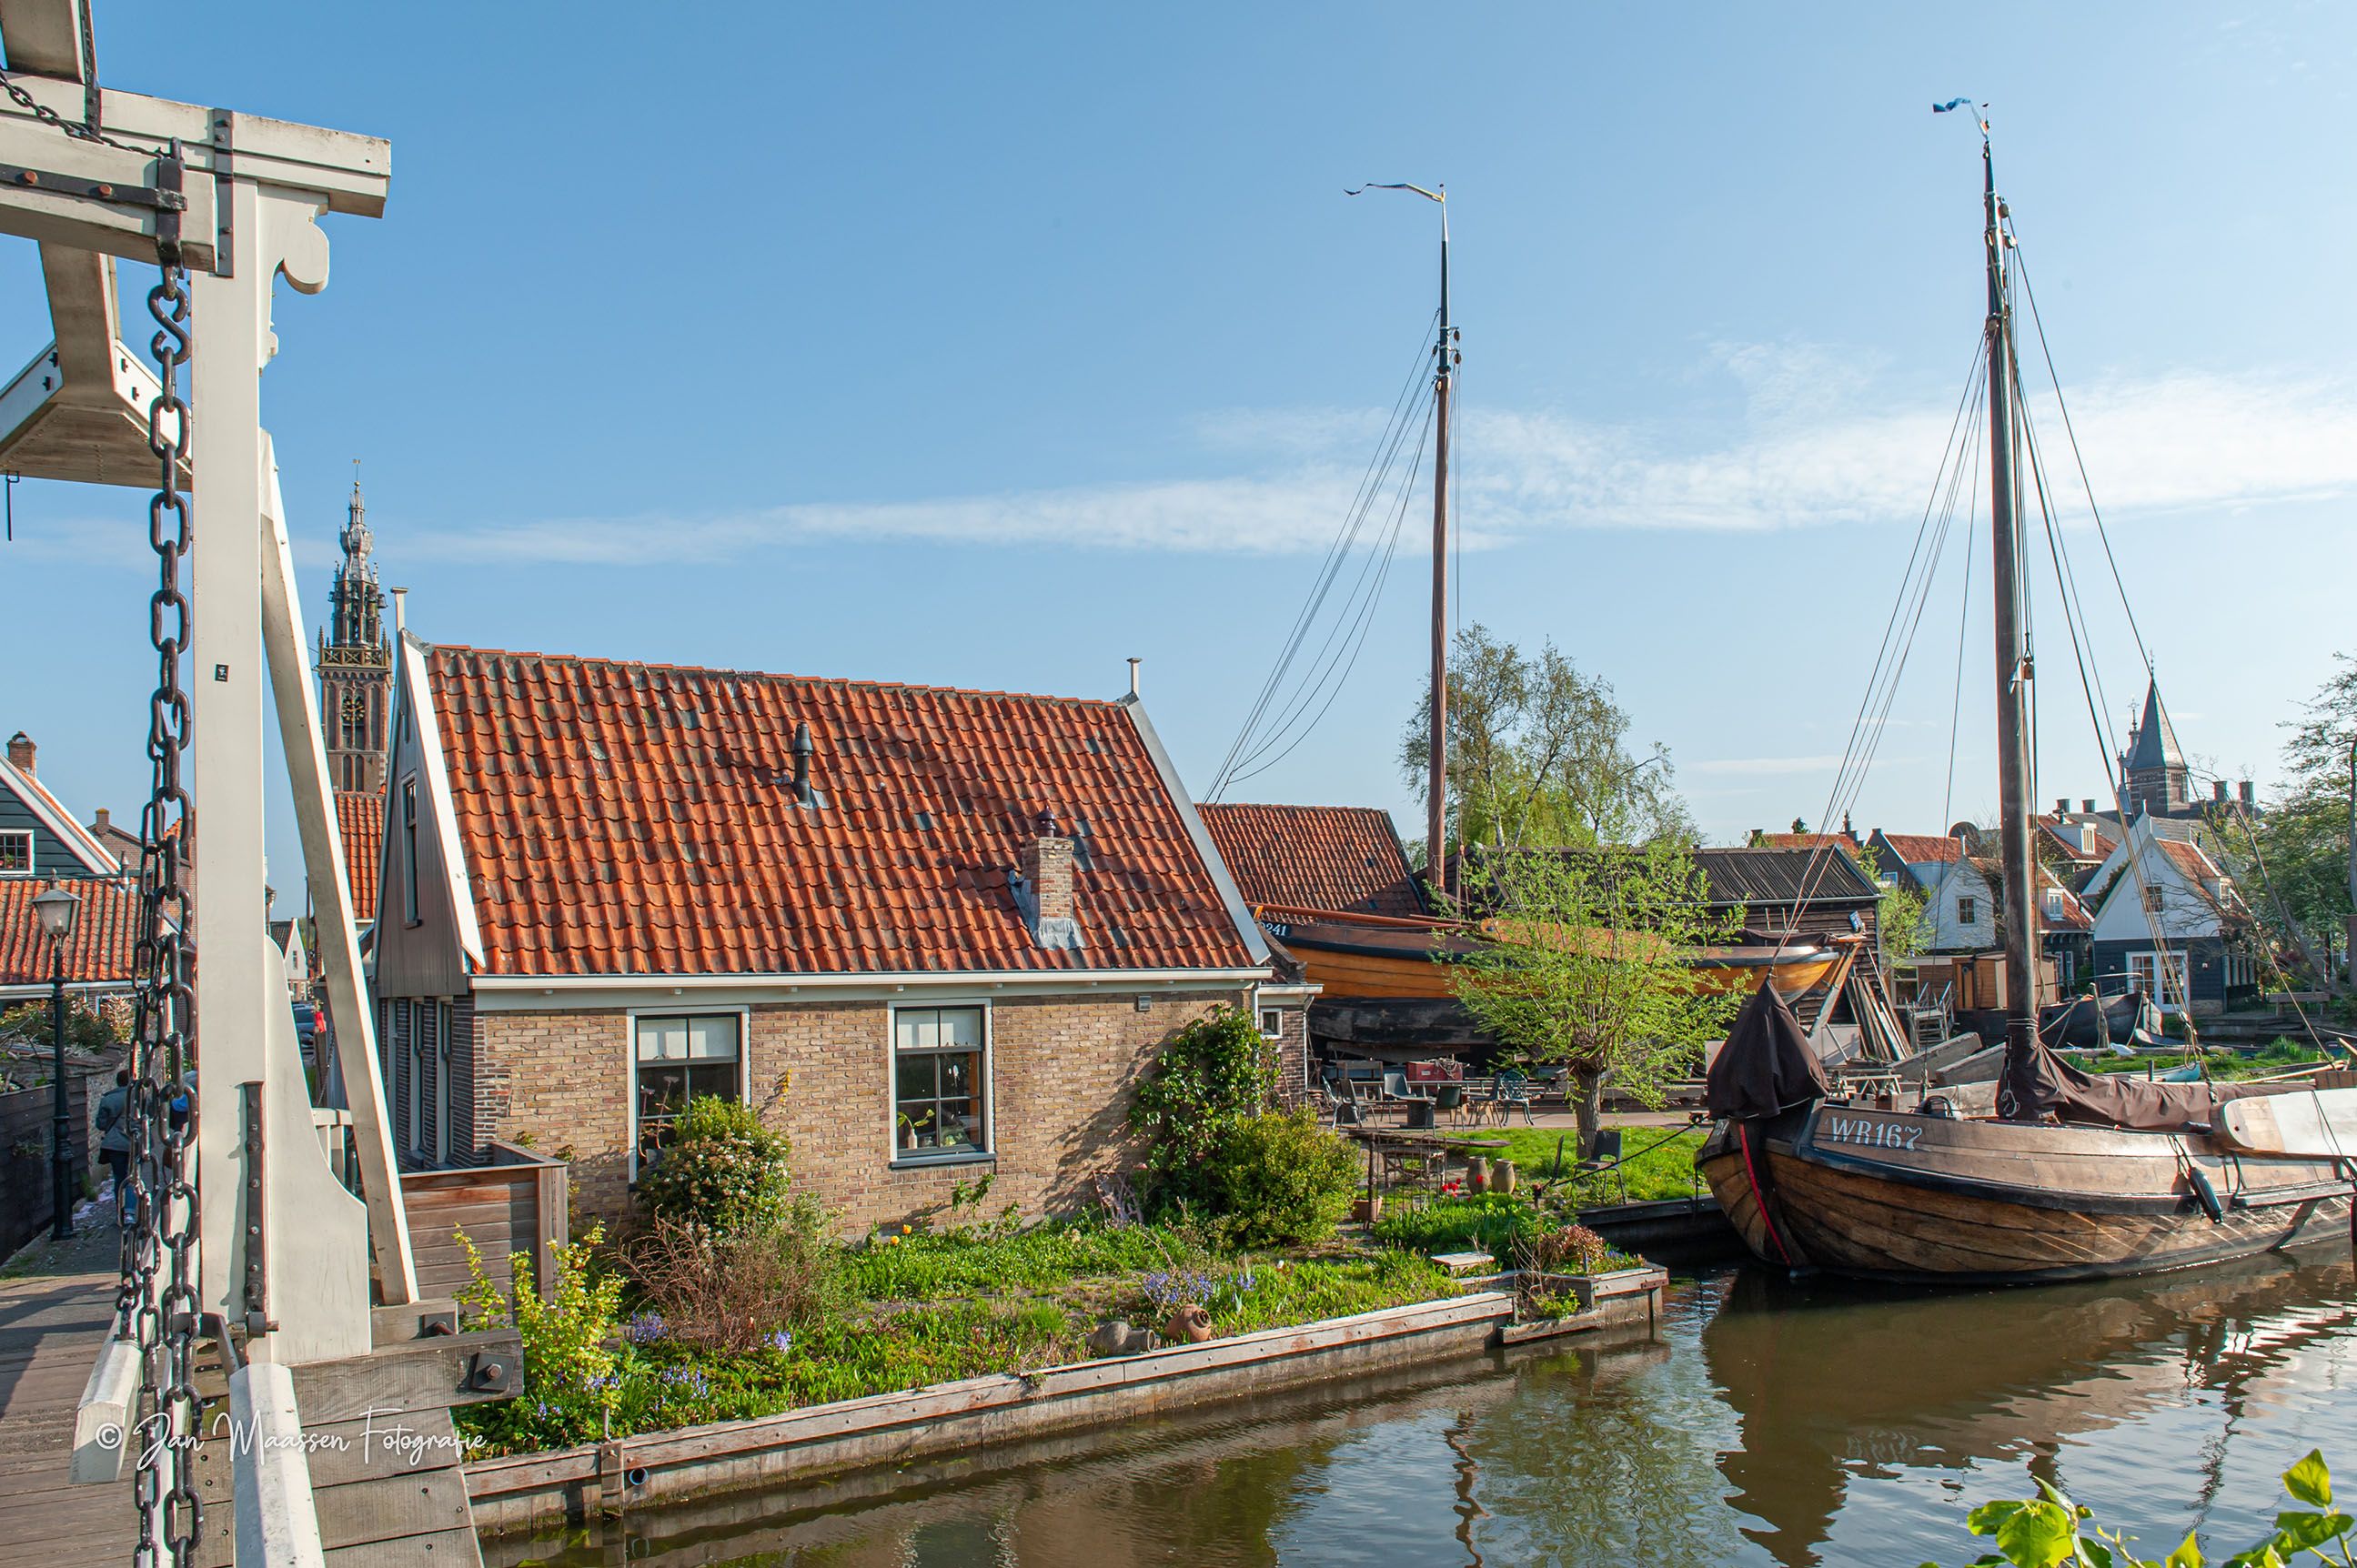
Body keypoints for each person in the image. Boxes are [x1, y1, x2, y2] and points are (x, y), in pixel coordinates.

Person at [94, 1068, 133, 1223]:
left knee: (119, 1177)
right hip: (134, 1143)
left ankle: (120, 1212)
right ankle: (131, 1211)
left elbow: (101, 1124)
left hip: (115, 1145)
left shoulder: (108, 1099)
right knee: (133, 1177)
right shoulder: (140, 1097)